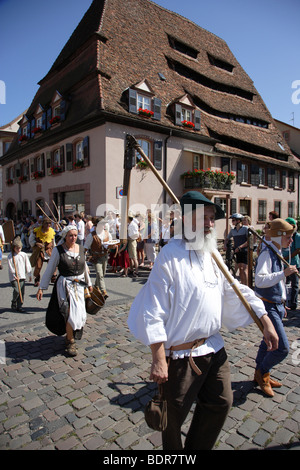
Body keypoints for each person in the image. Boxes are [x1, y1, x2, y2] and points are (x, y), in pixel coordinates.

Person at [128, 191, 278, 450]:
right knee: (172, 419)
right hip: (182, 356)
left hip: (214, 348)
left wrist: (264, 319)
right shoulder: (169, 256)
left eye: (212, 218)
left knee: (221, 401)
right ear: (187, 220)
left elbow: (234, 289)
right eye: (204, 218)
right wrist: (158, 357)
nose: (210, 224)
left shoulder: (212, 254)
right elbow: (153, 308)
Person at [254, 218, 297, 397]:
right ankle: (262, 371)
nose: (291, 241)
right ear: (279, 237)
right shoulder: (267, 253)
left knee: (267, 342)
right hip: (268, 306)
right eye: (288, 237)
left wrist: (283, 302)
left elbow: (279, 284)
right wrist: (283, 273)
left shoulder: (276, 251)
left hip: (276, 305)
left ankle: (261, 373)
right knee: (281, 348)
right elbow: (260, 280)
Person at [36, 226, 93, 357]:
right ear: (65, 236)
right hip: (65, 285)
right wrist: (42, 288)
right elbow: (50, 269)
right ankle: (70, 340)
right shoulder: (58, 251)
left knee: (80, 314)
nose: (73, 238)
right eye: (70, 235)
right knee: (69, 313)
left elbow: (84, 267)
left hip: (79, 286)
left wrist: (89, 283)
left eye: (75, 235)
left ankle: (71, 334)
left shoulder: (81, 248)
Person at [84, 220, 112, 299]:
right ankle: (103, 291)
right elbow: (86, 247)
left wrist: (112, 246)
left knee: (102, 274)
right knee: (100, 274)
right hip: (96, 257)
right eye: (101, 224)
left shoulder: (107, 233)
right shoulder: (91, 236)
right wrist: (83, 260)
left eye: (103, 224)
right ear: (96, 225)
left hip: (105, 256)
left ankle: (96, 287)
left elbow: (110, 243)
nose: (102, 226)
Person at [29, 217, 56, 286]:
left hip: (49, 251)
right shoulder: (36, 231)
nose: (48, 225)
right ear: (43, 224)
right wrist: (36, 243)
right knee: (38, 266)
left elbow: (53, 242)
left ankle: (53, 278)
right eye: (46, 223)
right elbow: (31, 240)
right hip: (40, 251)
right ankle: (37, 279)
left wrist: (55, 250)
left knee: (53, 265)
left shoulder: (52, 231)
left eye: (49, 224)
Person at [7, 236, 32, 312]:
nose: (18, 250)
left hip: (22, 276)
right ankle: (14, 301)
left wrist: (29, 274)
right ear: (14, 248)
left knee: (22, 291)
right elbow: (10, 267)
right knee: (17, 290)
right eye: (17, 248)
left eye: (20, 248)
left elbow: (27, 265)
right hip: (14, 277)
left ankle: (19, 305)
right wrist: (14, 275)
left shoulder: (23, 255)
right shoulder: (11, 256)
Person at [224, 213, 249, 285]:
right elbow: (227, 238)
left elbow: (249, 241)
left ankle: (247, 286)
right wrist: (225, 245)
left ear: (238, 221)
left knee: (244, 270)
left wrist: (240, 247)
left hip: (244, 251)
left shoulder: (245, 229)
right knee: (240, 270)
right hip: (237, 252)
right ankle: (243, 285)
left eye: (234, 220)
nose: (232, 222)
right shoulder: (233, 231)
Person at [282, 217, 300, 310]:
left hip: (293, 263)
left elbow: (298, 250)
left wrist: (287, 258)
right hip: (284, 263)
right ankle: (285, 301)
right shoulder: (284, 235)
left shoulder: (296, 236)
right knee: (284, 283)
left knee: (294, 284)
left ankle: (293, 303)